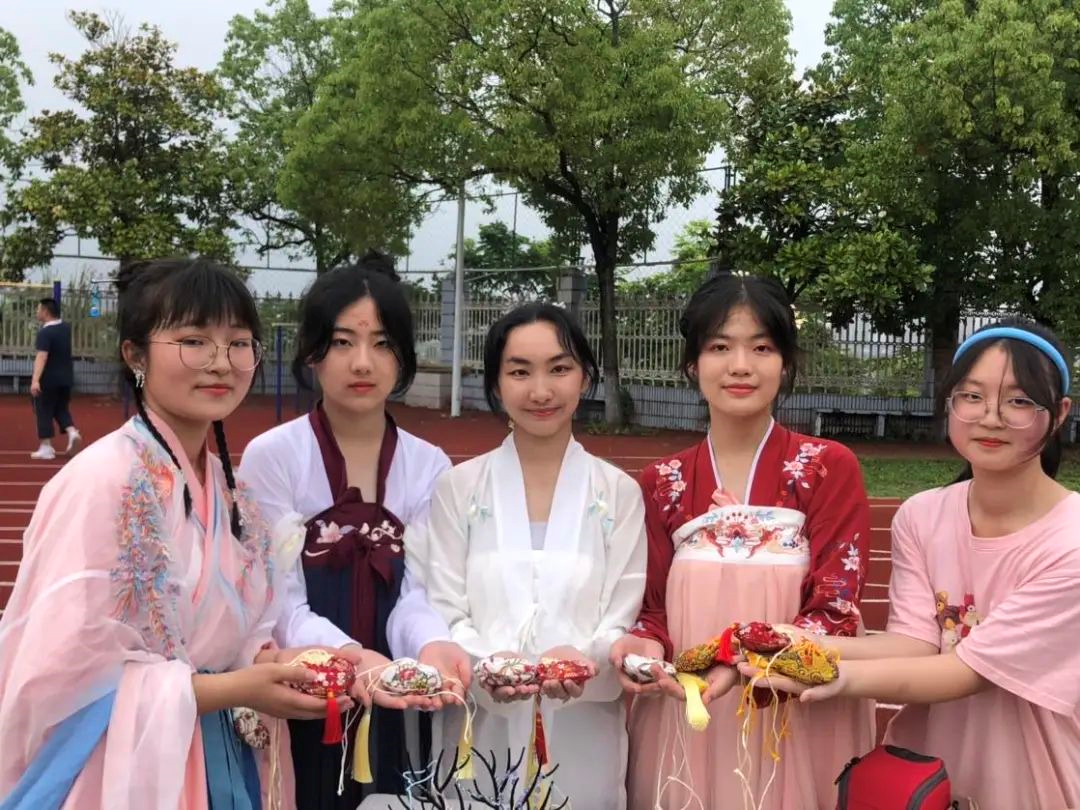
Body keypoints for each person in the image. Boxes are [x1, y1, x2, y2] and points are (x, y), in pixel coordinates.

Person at [0, 258, 342, 809]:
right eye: (193, 341)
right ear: (135, 355)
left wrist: (272, 664)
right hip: (123, 770)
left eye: (238, 343)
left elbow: (234, 630)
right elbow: (60, 670)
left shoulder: (231, 489)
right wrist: (230, 689)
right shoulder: (100, 480)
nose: (220, 363)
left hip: (221, 757)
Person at [745, 318, 1080, 810]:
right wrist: (803, 642)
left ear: (1059, 413)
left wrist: (836, 675)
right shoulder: (922, 515)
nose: (990, 417)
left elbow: (968, 670)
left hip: (1032, 779)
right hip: (923, 778)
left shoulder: (1071, 539)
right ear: (950, 403)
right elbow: (916, 642)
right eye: (972, 396)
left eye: (1019, 401)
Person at [610, 273, 875, 810]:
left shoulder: (827, 467)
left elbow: (835, 609)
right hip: (691, 705)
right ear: (692, 363)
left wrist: (741, 662)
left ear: (786, 362)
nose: (740, 365)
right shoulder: (661, 483)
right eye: (719, 347)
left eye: (761, 348)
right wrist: (644, 647)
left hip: (795, 706)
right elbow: (652, 610)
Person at [239, 251, 468, 808]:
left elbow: (419, 592)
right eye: (343, 342)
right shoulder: (273, 456)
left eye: (382, 343)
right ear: (312, 351)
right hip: (305, 692)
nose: (363, 362)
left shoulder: (429, 465)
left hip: (400, 695)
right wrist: (349, 656)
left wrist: (431, 645)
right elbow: (278, 600)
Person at [408, 303, 647, 810]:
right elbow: (445, 607)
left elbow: (620, 615)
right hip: (477, 729)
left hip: (584, 729)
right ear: (496, 384)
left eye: (559, 369)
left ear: (585, 377)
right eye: (520, 372)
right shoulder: (459, 489)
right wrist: (492, 667)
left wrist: (580, 661)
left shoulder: (618, 493)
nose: (541, 391)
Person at [29, 297, 81, 460]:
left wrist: (35, 380)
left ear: (45, 312)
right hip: (66, 377)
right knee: (60, 408)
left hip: (49, 379)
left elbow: (42, 356)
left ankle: (46, 447)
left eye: (38, 309)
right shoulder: (65, 329)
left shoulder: (45, 333)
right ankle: (72, 432)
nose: (37, 312)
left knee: (43, 409)